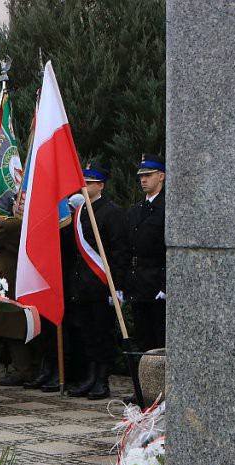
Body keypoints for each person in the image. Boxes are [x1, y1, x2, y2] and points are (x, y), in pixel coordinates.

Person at [65, 164, 129, 400]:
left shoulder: (111, 212)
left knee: (103, 334)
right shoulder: (80, 211)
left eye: (90, 182)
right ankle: (89, 377)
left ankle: (102, 379)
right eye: (84, 181)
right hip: (82, 285)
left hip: (102, 285)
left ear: (100, 185)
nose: (85, 185)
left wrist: (118, 287)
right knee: (87, 334)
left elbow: (120, 251)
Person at [0, 194, 35, 386]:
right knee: (18, 325)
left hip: (10, 281)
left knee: (12, 326)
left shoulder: (11, 225)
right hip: (22, 279)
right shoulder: (28, 223)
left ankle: (22, 369)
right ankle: (23, 367)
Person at [124, 154, 167, 353]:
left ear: (161, 176)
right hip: (138, 283)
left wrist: (165, 285)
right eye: (141, 176)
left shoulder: (166, 209)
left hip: (156, 282)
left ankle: (159, 384)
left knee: (159, 340)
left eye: (148, 175)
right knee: (143, 338)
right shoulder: (136, 211)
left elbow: (167, 250)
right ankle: (144, 383)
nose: (143, 179)